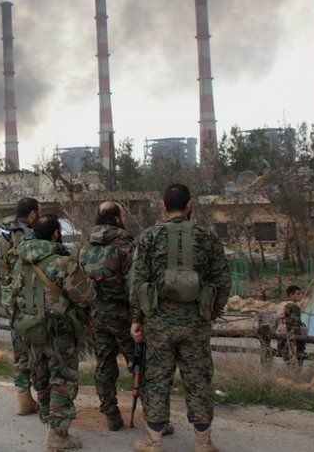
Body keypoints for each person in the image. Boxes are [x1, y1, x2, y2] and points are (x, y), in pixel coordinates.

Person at [129, 184, 230, 452]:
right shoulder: (207, 237)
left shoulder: (150, 237)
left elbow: (137, 281)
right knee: (198, 380)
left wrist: (137, 319)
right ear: (189, 206)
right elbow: (223, 279)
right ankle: (203, 442)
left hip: (159, 323)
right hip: (196, 321)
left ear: (163, 206)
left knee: (157, 379)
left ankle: (154, 441)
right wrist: (212, 312)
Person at [11, 214, 93, 451]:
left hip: (31, 329)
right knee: (63, 379)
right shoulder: (63, 262)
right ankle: (57, 434)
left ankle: (48, 420)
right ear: (56, 234)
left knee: (41, 375)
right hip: (59, 332)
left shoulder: (21, 260)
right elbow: (84, 297)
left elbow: (13, 293)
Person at [77, 201, 136, 431]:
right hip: (124, 315)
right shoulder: (126, 245)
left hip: (99, 312)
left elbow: (80, 285)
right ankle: (155, 415)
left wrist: (86, 313)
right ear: (116, 218)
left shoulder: (85, 248)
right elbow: (135, 283)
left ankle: (111, 415)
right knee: (138, 363)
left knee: (104, 365)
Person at [0, 197, 41, 415]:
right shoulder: (32, 234)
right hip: (32, 299)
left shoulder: (3, 233)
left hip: (10, 298)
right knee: (40, 347)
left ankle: (23, 398)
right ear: (32, 214)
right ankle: (45, 398)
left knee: (19, 348)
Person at [276, 285, 307, 366]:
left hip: (283, 334)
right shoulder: (293, 307)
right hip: (292, 336)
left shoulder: (284, 305)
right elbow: (295, 323)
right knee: (296, 358)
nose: (300, 296)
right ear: (291, 295)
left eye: (300, 294)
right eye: (298, 294)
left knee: (288, 359)